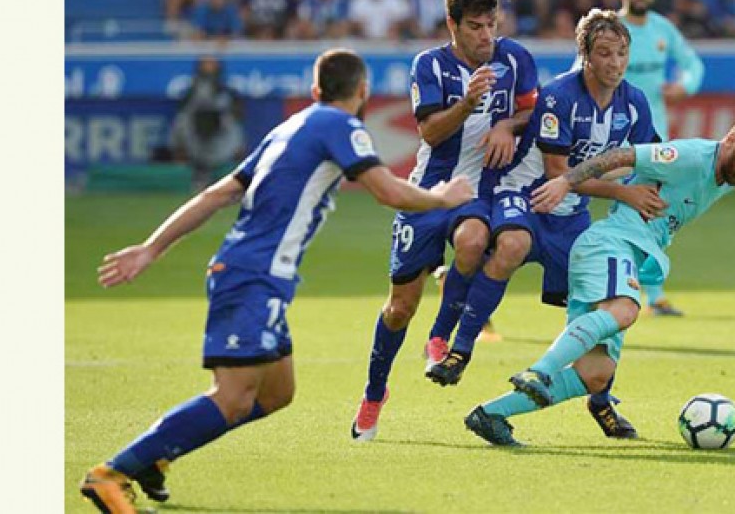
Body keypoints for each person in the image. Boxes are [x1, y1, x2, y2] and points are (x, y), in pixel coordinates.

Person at [76, 49, 474, 514]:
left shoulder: (288, 129)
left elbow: (217, 193)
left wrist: (151, 247)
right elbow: (386, 190)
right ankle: (112, 472)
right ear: (363, 91)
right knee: (233, 397)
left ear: (315, 90)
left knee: (276, 393)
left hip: (255, 275)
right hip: (253, 276)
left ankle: (155, 458)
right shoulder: (340, 125)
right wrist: (441, 198)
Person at [463, 112, 735, 446]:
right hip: (611, 244)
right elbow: (621, 156)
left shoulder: (726, 176)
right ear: (730, 139)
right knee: (624, 309)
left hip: (627, 254)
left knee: (595, 373)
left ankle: (491, 414)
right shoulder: (690, 156)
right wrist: (565, 181)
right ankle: (539, 371)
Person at [422, 10, 666, 439]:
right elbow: (558, 173)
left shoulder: (634, 103)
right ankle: (460, 350)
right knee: (512, 244)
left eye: (622, 53)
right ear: (585, 55)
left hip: (572, 216)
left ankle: (601, 399)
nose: (615, 62)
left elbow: (650, 158)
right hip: (524, 193)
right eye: (604, 53)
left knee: (607, 307)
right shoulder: (559, 96)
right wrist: (624, 191)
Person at [350, 0, 537, 442]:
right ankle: (374, 394)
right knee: (399, 308)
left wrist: (507, 127)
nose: (486, 35)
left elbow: (532, 111)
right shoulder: (429, 65)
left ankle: (440, 336)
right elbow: (431, 133)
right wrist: (469, 102)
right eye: (475, 26)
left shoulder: (514, 58)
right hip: (428, 192)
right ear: (452, 25)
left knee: (474, 240)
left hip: (477, 190)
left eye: (491, 25)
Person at [613, 0, 705, 318]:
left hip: (654, 139)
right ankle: (622, 288)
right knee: (620, 213)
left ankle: (651, 294)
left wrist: (685, 86)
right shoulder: (610, 29)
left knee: (650, 212)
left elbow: (693, 64)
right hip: (613, 134)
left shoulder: (663, 29)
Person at [170, 56, 244, 190]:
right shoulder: (191, 91)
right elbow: (183, 112)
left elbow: (237, 114)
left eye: (212, 63)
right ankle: (196, 172)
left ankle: (228, 176)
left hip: (221, 134)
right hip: (195, 133)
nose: (209, 67)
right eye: (206, 63)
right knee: (182, 121)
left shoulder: (226, 90)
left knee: (232, 124)